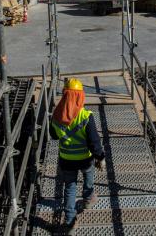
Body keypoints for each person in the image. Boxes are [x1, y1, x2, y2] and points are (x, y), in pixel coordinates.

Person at [50, 78, 106, 235]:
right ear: (80, 96)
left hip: (66, 159)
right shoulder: (86, 115)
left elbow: (53, 135)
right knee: (88, 175)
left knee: (70, 187)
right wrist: (100, 157)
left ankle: (69, 220)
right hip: (85, 158)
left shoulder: (57, 115)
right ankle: (88, 198)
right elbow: (94, 141)